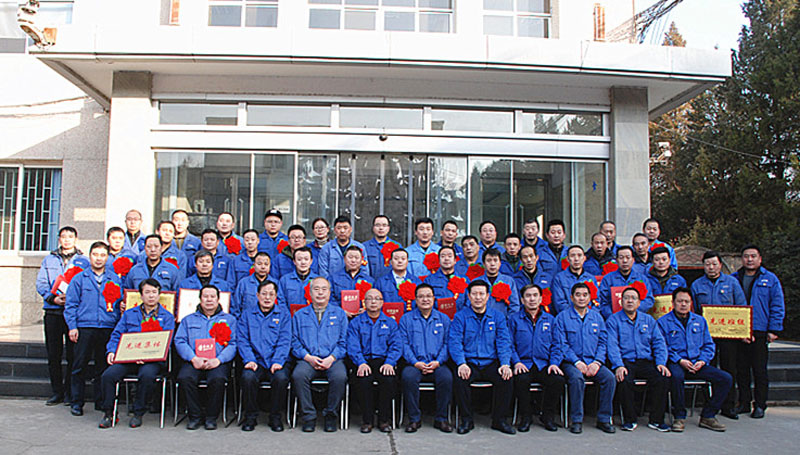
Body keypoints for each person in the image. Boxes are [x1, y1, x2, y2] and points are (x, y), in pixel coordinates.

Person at [98, 278, 175, 429]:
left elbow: (167, 342)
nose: (151, 296)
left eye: (154, 292)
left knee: (147, 375)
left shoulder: (167, 317)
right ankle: (109, 413)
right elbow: (116, 335)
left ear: (159, 295)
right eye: (147, 292)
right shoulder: (129, 314)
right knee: (108, 375)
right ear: (141, 295)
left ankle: (138, 412)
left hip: (152, 360)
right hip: (129, 358)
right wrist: (111, 351)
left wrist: (146, 355)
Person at [658, 287, 732, 432]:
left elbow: (709, 345)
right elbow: (662, 346)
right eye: (680, 301)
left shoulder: (700, 320)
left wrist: (702, 361)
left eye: (686, 301)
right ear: (673, 303)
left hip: (697, 362)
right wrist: (680, 360)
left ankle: (708, 415)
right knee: (676, 377)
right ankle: (679, 417)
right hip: (677, 362)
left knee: (726, 378)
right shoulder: (663, 322)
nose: (683, 304)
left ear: (691, 303)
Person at [449, 280, 515, 435]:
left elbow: (504, 341)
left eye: (481, 294)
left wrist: (505, 364)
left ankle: (499, 420)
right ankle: (467, 420)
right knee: (460, 378)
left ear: (487, 296)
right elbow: (455, 342)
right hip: (469, 362)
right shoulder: (460, 317)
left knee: (506, 377)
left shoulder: (497, 317)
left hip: (491, 362)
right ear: (469, 296)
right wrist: (461, 363)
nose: (478, 297)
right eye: (474, 294)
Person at [64, 241, 123, 417]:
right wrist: (72, 327)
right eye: (95, 255)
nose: (99, 259)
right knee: (79, 366)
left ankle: (101, 400)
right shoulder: (79, 279)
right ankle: (76, 402)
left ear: (108, 258)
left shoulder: (114, 279)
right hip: (85, 327)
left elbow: (119, 304)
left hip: (107, 327)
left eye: (103, 255)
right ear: (90, 256)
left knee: (102, 366)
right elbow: (71, 305)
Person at [35, 226, 90, 406]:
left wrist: (72, 299)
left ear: (76, 239)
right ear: (59, 239)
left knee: (73, 355)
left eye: (70, 236)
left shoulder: (83, 261)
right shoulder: (49, 259)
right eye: (63, 236)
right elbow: (41, 283)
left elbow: (86, 284)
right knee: (54, 354)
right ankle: (56, 392)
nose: (67, 239)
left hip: (73, 314)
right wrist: (53, 298)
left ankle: (69, 392)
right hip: (53, 312)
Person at [553, 282, 616, 434]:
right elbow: (562, 344)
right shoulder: (562, 317)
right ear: (571, 298)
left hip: (593, 361)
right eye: (578, 295)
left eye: (585, 295)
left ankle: (604, 419)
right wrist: (576, 362)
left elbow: (603, 342)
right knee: (576, 379)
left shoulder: (597, 317)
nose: (581, 298)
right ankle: (576, 420)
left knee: (609, 378)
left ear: (590, 298)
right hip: (571, 362)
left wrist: (597, 362)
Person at [690, 250, 746, 419]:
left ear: (720, 265)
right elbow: (694, 311)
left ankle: (729, 405)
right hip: (706, 337)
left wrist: (744, 331)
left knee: (729, 369)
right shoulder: (697, 285)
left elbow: (741, 307)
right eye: (707, 264)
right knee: (708, 369)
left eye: (714, 264)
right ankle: (710, 404)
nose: (711, 267)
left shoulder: (732, 283)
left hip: (728, 335)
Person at [606, 287, 670, 432]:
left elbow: (659, 343)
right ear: (621, 301)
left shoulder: (648, 320)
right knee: (624, 379)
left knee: (662, 377)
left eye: (633, 298)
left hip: (645, 361)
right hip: (625, 361)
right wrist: (618, 365)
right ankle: (630, 419)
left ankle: (656, 420)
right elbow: (612, 346)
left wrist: (661, 363)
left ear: (639, 302)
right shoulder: (613, 320)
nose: (630, 301)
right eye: (626, 298)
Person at [174, 285, 237, 430]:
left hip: (217, 361)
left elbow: (233, 344)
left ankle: (211, 417)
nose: (209, 300)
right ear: (200, 299)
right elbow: (180, 341)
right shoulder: (188, 320)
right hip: (194, 360)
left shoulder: (230, 320)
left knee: (218, 379)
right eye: (205, 296)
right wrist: (193, 358)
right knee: (185, 378)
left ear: (218, 299)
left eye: (212, 296)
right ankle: (195, 416)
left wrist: (219, 359)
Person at [732, 245, 784, 419]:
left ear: (760, 259)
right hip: (739, 330)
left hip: (759, 329)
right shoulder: (734, 278)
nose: (749, 259)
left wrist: (774, 329)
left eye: (753, 256)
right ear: (741, 259)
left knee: (759, 370)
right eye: (746, 256)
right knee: (742, 370)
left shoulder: (770, 279)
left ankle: (760, 404)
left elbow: (777, 304)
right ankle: (744, 403)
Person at [290, 277, 349, 432]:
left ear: (329, 292)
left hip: (333, 359)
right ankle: (309, 416)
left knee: (340, 377)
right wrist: (308, 357)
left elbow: (344, 342)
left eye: (324, 289)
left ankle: (331, 415)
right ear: (310, 293)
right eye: (316, 289)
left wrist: (331, 358)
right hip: (308, 359)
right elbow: (294, 342)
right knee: (298, 375)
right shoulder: (299, 315)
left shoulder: (340, 314)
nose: (320, 293)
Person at [508, 284, 565, 432]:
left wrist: (554, 363)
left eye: (535, 296)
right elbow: (509, 344)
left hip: (544, 364)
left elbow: (557, 345)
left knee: (557, 380)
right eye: (528, 296)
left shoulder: (551, 320)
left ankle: (547, 416)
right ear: (522, 300)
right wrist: (516, 362)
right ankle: (526, 417)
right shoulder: (514, 319)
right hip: (523, 363)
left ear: (541, 299)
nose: (532, 299)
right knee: (521, 380)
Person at [398, 284, 453, 433]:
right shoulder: (406, 319)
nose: (425, 299)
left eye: (428, 296)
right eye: (421, 296)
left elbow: (448, 344)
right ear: (415, 300)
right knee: (408, 377)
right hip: (414, 363)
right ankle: (414, 419)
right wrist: (415, 362)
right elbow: (403, 344)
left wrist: (438, 362)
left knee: (446, 378)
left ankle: (441, 419)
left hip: (437, 363)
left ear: (434, 299)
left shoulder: (444, 319)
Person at [238, 280, 291, 432]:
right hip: (255, 360)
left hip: (277, 360)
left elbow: (285, 340)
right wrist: (249, 359)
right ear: (257, 295)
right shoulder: (247, 315)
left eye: (271, 294)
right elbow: (242, 340)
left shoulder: (284, 315)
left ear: (276, 296)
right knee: (248, 378)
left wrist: (278, 361)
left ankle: (275, 417)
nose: (267, 297)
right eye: (264, 294)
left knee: (281, 378)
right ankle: (250, 416)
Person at [347, 288, 401, 433]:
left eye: (377, 299)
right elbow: (352, 346)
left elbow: (396, 346)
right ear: (364, 302)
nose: (373, 302)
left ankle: (384, 420)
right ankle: (367, 420)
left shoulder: (390, 323)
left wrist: (390, 362)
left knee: (389, 379)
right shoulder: (356, 323)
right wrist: (360, 362)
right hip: (363, 360)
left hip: (383, 361)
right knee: (363, 380)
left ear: (382, 302)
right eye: (369, 298)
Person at [598, 246, 654, 319]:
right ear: (616, 260)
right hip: (615, 320)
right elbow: (603, 302)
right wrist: (613, 317)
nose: (624, 261)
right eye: (621, 258)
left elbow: (649, 300)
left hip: (638, 319)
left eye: (628, 257)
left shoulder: (642, 279)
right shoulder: (608, 279)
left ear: (633, 260)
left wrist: (632, 311)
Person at [470, 248, 520, 316]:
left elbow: (514, 305)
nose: (492, 264)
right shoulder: (476, 282)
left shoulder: (509, 281)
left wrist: (508, 319)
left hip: (503, 320)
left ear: (500, 263)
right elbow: (470, 303)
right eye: (489, 260)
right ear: (484, 264)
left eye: (495, 260)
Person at [550, 245, 598, 315]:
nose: (576, 259)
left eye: (579, 255)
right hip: (567, 317)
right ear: (567, 259)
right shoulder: (559, 278)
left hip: (589, 317)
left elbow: (597, 301)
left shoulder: (591, 278)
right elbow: (559, 303)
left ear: (584, 258)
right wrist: (576, 315)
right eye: (572, 256)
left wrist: (588, 315)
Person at [231, 252, 278, 319]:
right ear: (254, 265)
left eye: (266, 264)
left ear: (270, 266)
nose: (263, 267)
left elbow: (281, 306)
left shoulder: (276, 283)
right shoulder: (244, 283)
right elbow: (236, 307)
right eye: (259, 264)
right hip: (247, 322)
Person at [329, 245, 374, 317]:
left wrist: (366, 309)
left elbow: (374, 300)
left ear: (361, 260)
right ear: (344, 259)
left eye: (356, 258)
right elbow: (329, 298)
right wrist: (340, 311)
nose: (353, 260)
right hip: (339, 317)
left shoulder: (369, 280)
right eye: (350, 257)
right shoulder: (333, 278)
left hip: (362, 318)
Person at [423, 246, 468, 312]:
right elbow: (425, 302)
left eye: (450, 256)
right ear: (439, 260)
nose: (446, 259)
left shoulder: (465, 280)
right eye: (443, 256)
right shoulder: (429, 280)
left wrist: (460, 315)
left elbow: (469, 302)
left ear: (455, 260)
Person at [363, 215, 399, 280]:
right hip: (370, 283)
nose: (381, 228)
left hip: (391, 284)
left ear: (388, 228)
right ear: (373, 228)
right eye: (377, 225)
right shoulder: (364, 247)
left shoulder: (396, 246)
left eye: (384, 225)